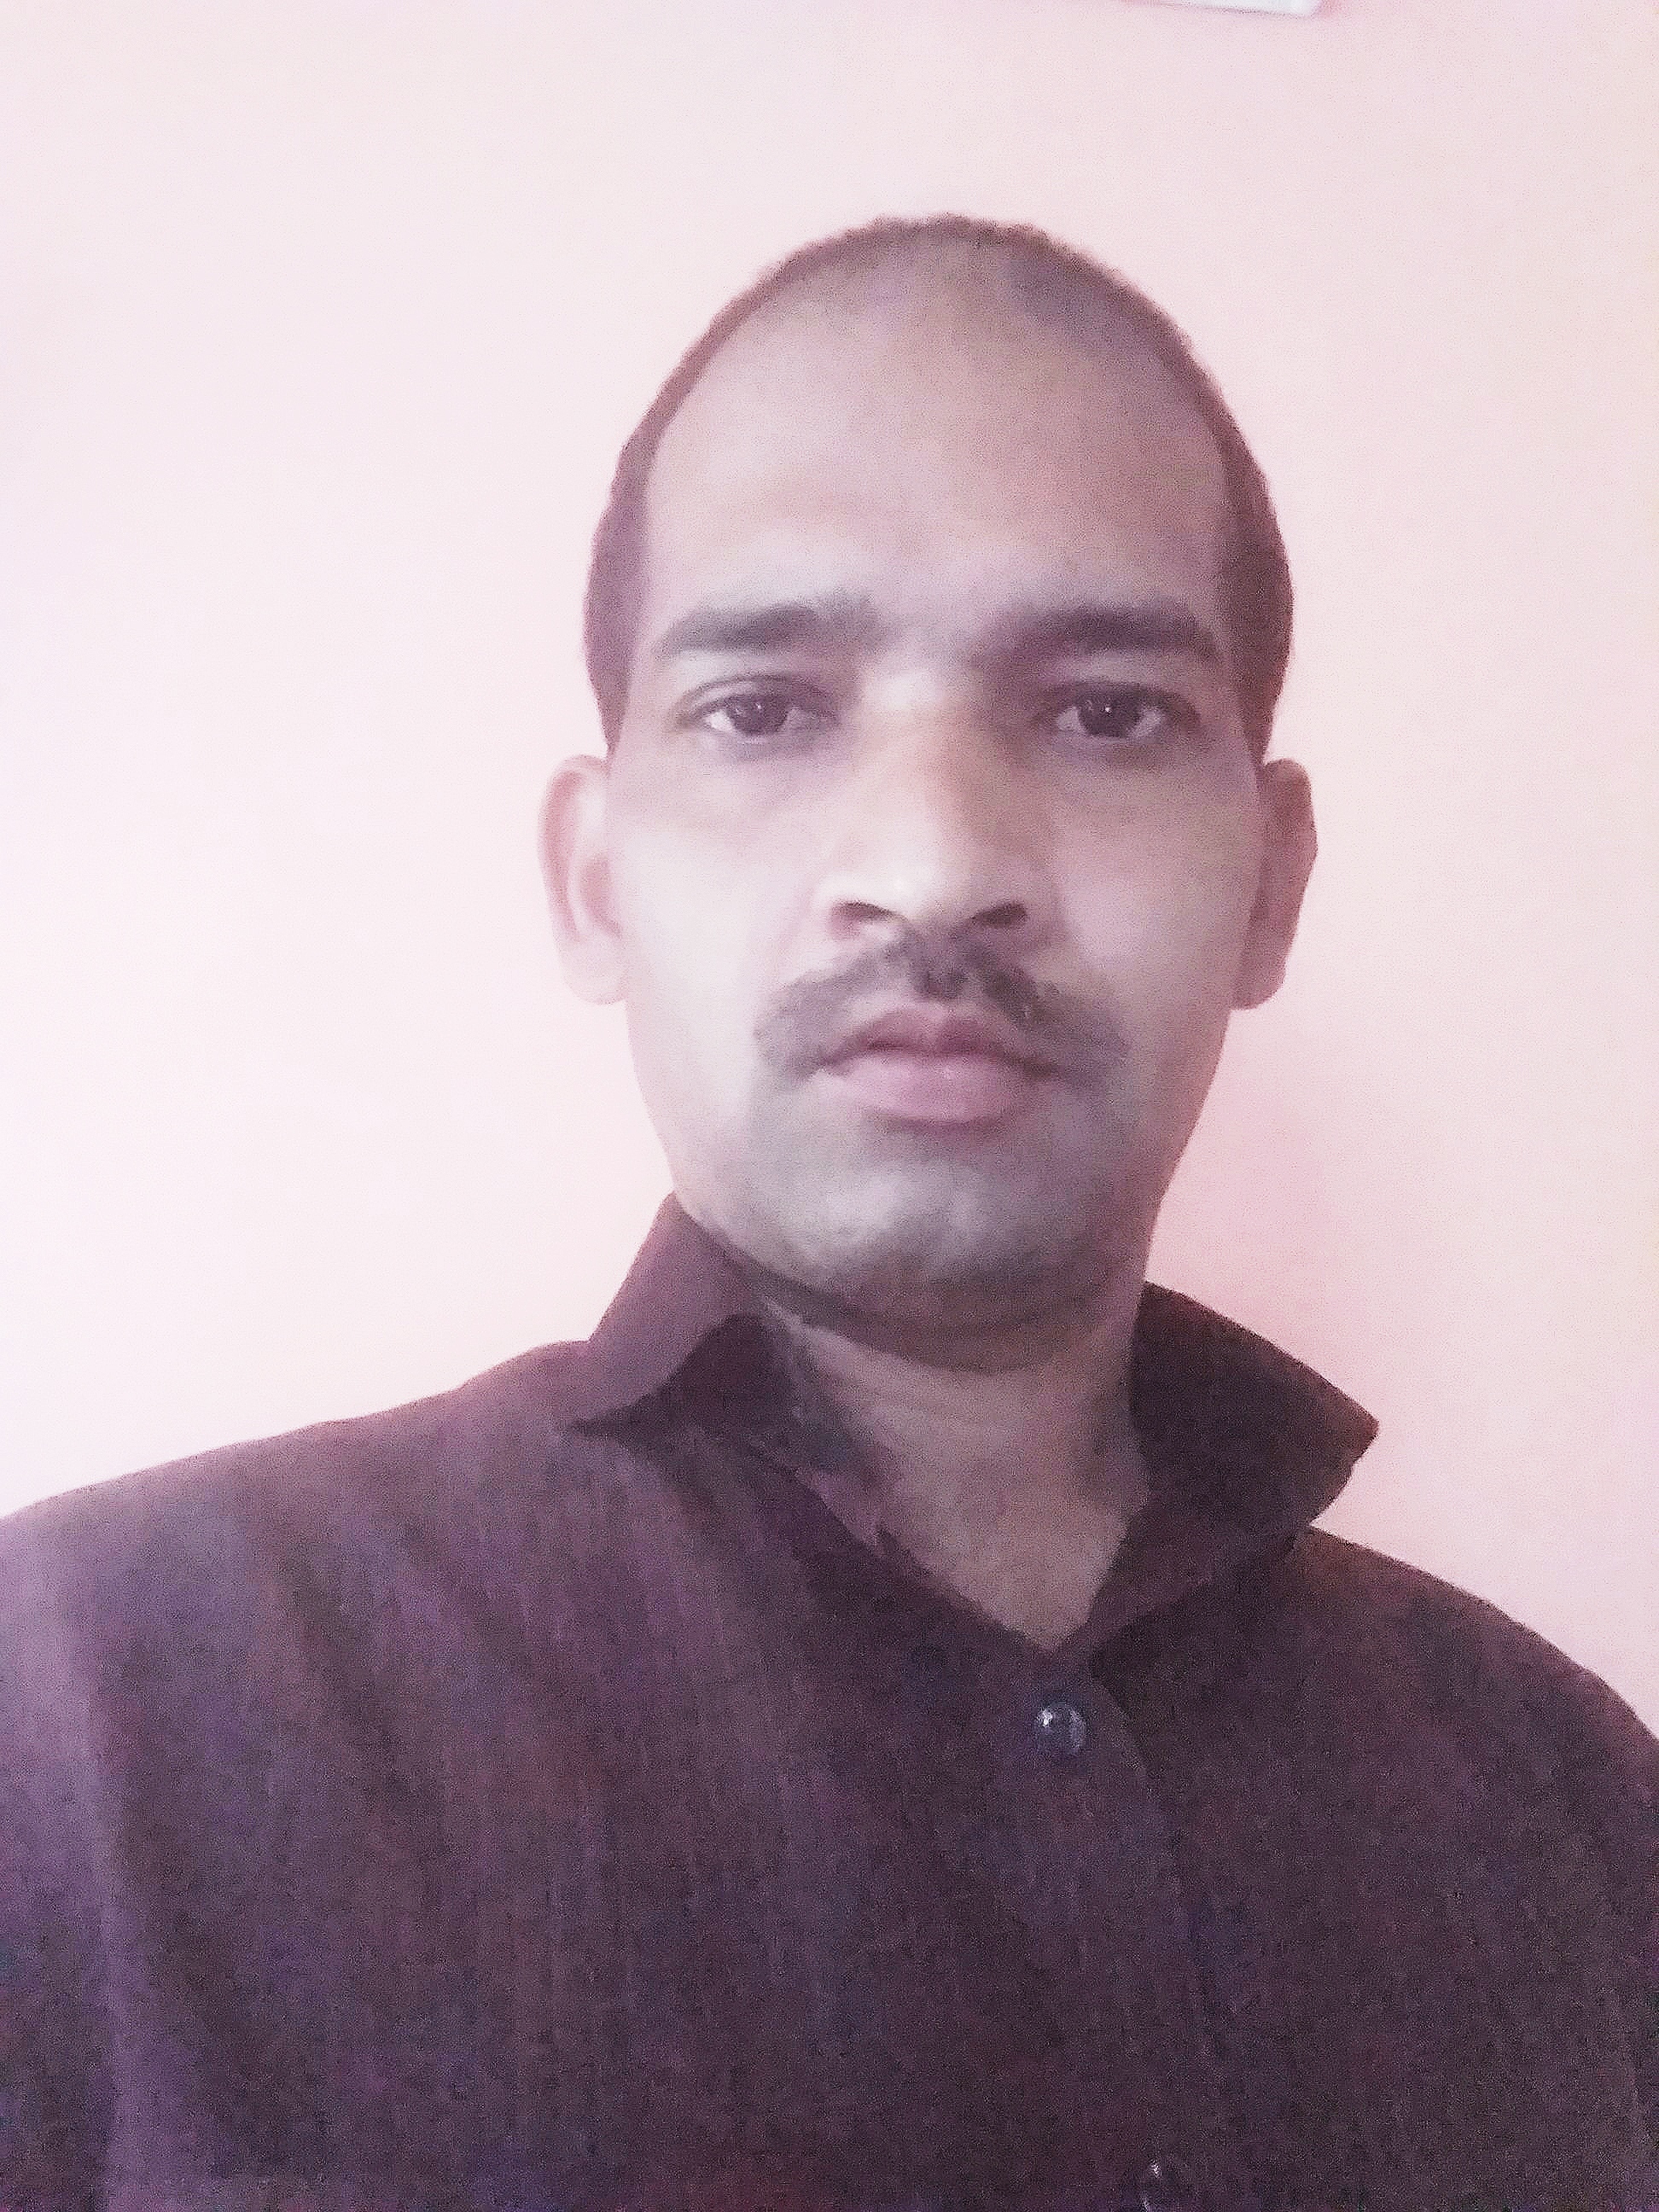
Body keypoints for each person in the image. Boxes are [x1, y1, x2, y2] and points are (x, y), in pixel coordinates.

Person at [1, 216, 1652, 2212]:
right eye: (765, 709)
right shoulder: (76, 1720)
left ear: (1273, 885)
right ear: (598, 882)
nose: (935, 867)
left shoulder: (1583, 1815)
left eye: (1107, 711)